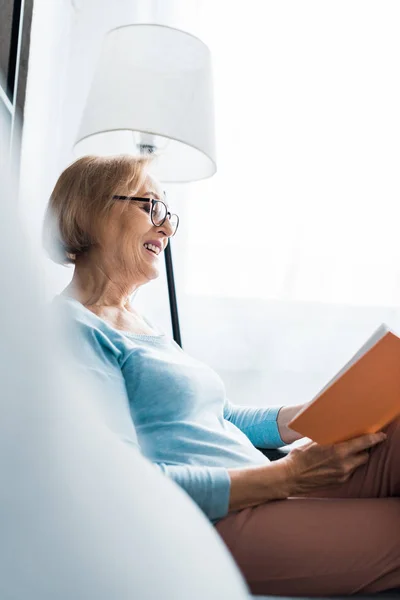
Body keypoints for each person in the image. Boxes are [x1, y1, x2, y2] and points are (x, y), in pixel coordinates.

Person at [44, 154, 400, 597]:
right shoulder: (72, 331)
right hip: (219, 519)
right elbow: (123, 483)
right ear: (90, 209)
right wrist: (289, 476)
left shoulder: (138, 324)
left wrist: (310, 415)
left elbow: (217, 417)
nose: (167, 227)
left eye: (168, 212)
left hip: (263, 484)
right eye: (150, 206)